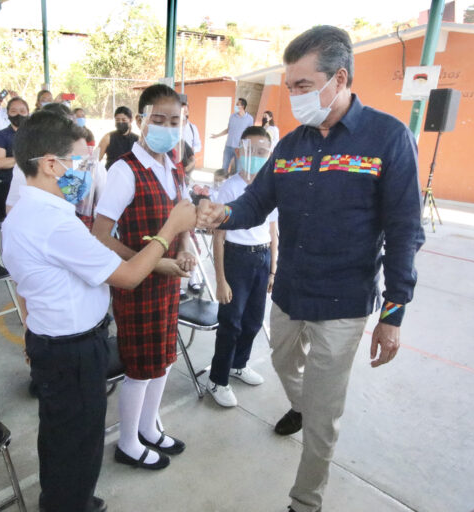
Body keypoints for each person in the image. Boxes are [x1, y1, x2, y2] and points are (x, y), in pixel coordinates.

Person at [196, 26, 425, 512]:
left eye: (302, 86)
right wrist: (225, 214)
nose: (293, 96)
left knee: (324, 415)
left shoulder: (387, 138)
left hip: (343, 301)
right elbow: (258, 200)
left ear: (338, 79)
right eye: (290, 86)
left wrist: (394, 311)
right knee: (281, 363)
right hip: (290, 294)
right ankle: (301, 403)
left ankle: (305, 501)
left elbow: (406, 230)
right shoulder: (293, 145)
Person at [1, 110, 196, 512]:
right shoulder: (56, 224)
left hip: (50, 340)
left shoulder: (23, 211)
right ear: (51, 165)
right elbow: (126, 277)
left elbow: (24, 286)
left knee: (61, 433)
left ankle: (63, 498)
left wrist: (30, 332)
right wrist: (170, 230)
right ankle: (70, 503)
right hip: (72, 350)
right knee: (80, 438)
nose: (87, 172)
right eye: (81, 163)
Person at [92, 84, 196, 471]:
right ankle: (128, 442)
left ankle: (150, 428)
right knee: (140, 366)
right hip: (138, 285)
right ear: (140, 121)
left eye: (176, 121)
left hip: (169, 282)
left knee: (164, 359)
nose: (168, 128)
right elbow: (101, 236)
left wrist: (184, 248)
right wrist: (150, 263)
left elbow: (182, 218)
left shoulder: (174, 166)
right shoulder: (124, 171)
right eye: (159, 120)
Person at [206, 126, 278, 407]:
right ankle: (218, 378)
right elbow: (219, 236)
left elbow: (273, 231)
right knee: (231, 323)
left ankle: (239, 364)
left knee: (253, 320)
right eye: (252, 151)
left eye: (263, 152)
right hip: (237, 259)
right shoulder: (231, 187)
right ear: (239, 152)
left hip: (261, 260)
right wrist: (220, 279)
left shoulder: (270, 187)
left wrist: (273, 268)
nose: (257, 157)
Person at [0, 97, 29, 221]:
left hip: (33, 186)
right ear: (7, 113)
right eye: (14, 111)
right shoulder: (1, 135)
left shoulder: (36, 134)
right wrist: (25, 158)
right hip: (10, 186)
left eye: (22, 111)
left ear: (28, 112)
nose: (18, 114)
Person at [211, 97, 253, 174]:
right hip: (228, 146)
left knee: (238, 170)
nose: (236, 106)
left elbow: (249, 134)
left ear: (243, 106)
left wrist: (246, 148)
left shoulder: (249, 119)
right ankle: (223, 184)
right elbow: (228, 129)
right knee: (224, 168)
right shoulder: (232, 116)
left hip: (240, 148)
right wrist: (217, 135)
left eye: (238, 104)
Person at [98, 106, 138, 170]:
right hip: (111, 175)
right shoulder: (108, 138)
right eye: (117, 120)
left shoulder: (137, 140)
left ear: (130, 120)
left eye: (123, 120)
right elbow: (96, 159)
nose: (120, 122)